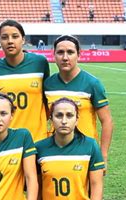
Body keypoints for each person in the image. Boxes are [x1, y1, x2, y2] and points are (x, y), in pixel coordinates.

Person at [44, 35, 113, 172]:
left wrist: (103, 155)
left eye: (70, 52)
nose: (65, 57)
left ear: (79, 55)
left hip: (85, 152)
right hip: (55, 151)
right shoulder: (48, 84)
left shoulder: (92, 83)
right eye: (60, 52)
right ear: (54, 56)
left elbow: (107, 121)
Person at [0, 20, 50, 143]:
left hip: (38, 138)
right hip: (7, 140)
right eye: (4, 37)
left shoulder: (40, 62)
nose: (10, 41)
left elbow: (47, 97)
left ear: (23, 40)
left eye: (15, 36)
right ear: (0, 41)